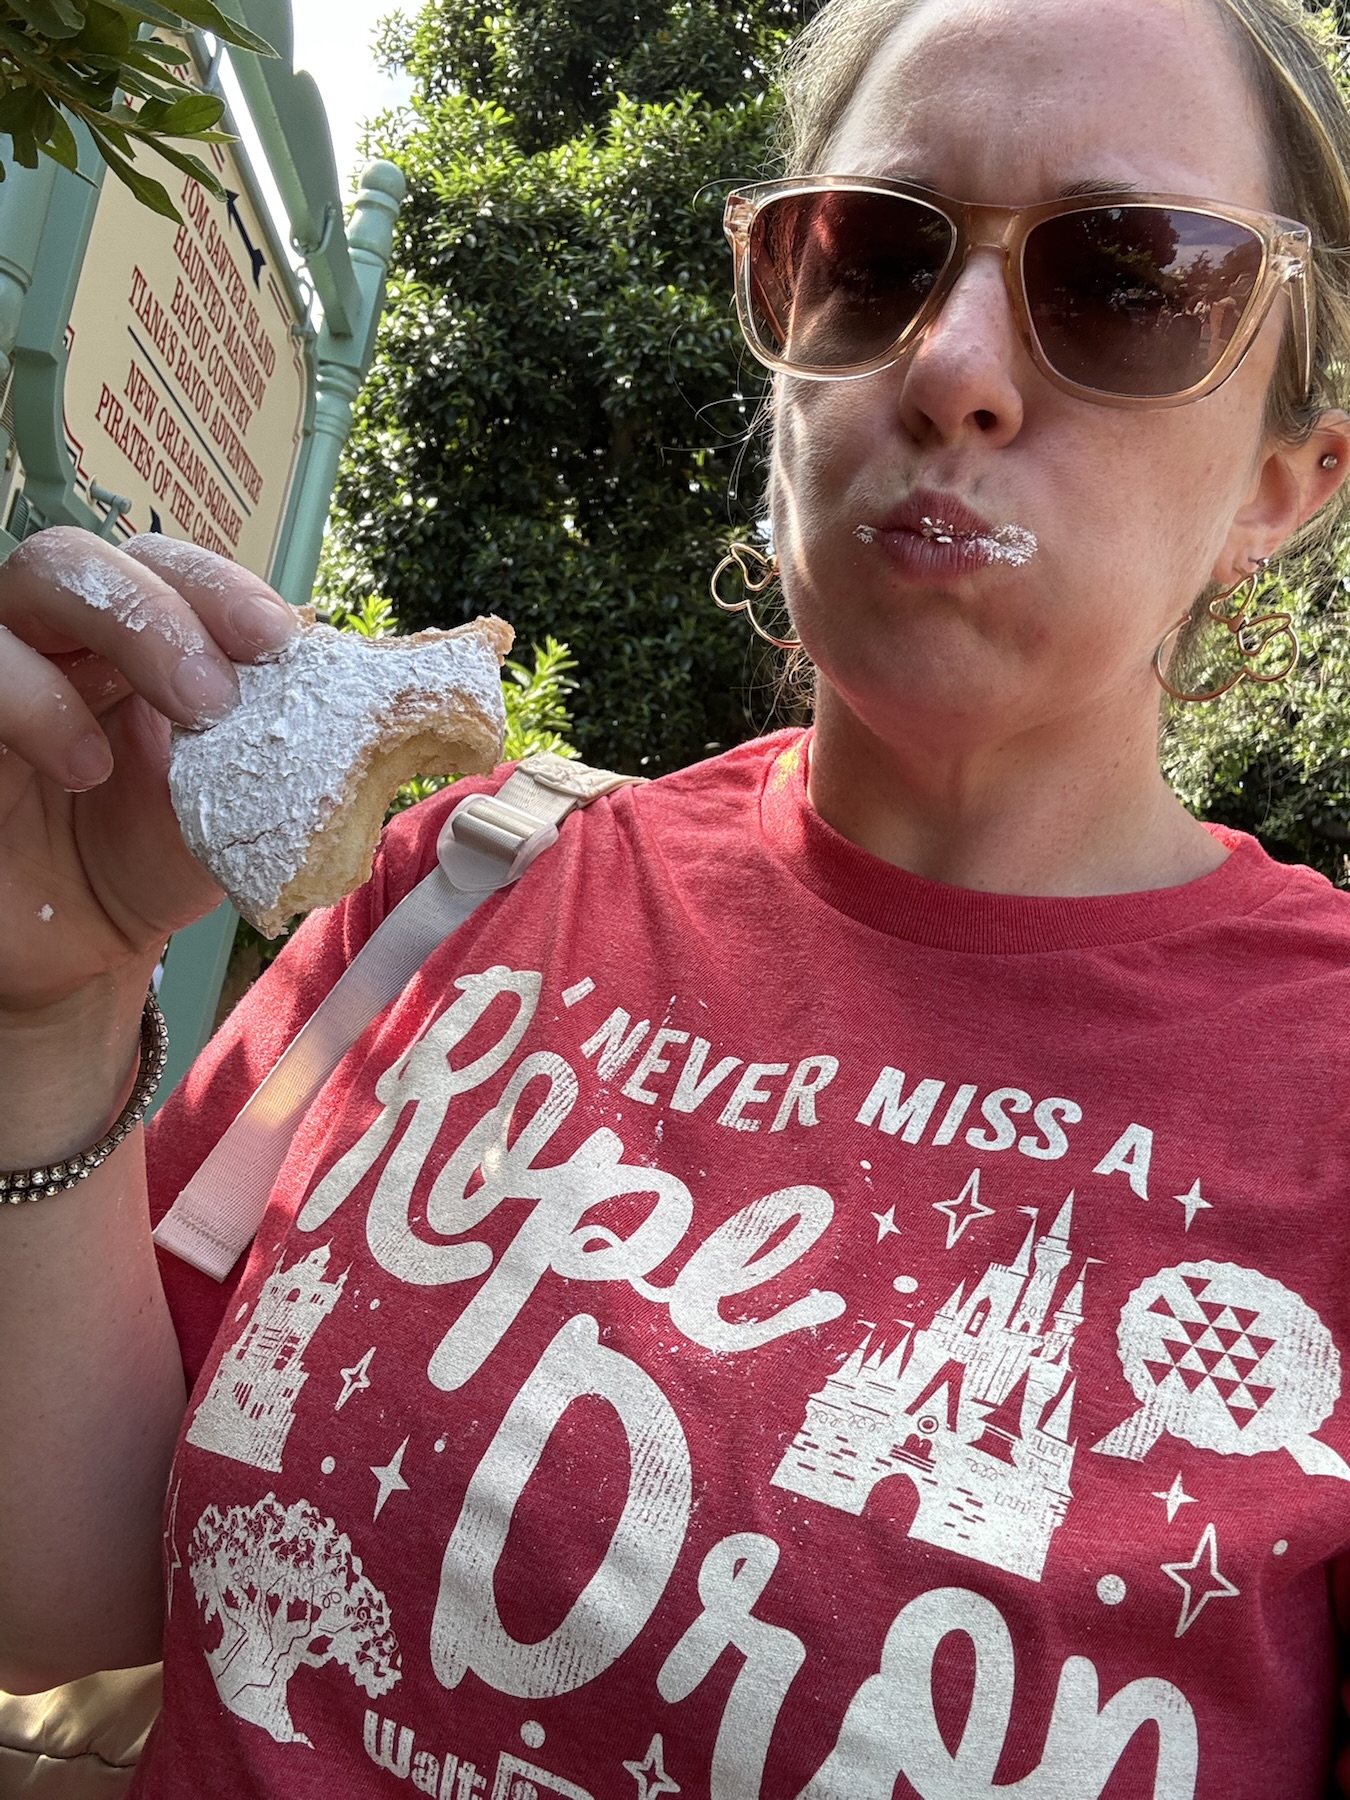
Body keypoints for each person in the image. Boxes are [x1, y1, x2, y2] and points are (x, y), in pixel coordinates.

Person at [3, 0, 1350, 1791]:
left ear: (1284, 477)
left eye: (1126, 277)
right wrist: (47, 1008)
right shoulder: (469, 879)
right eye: (870, 251)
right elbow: (71, 1593)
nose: (951, 362)